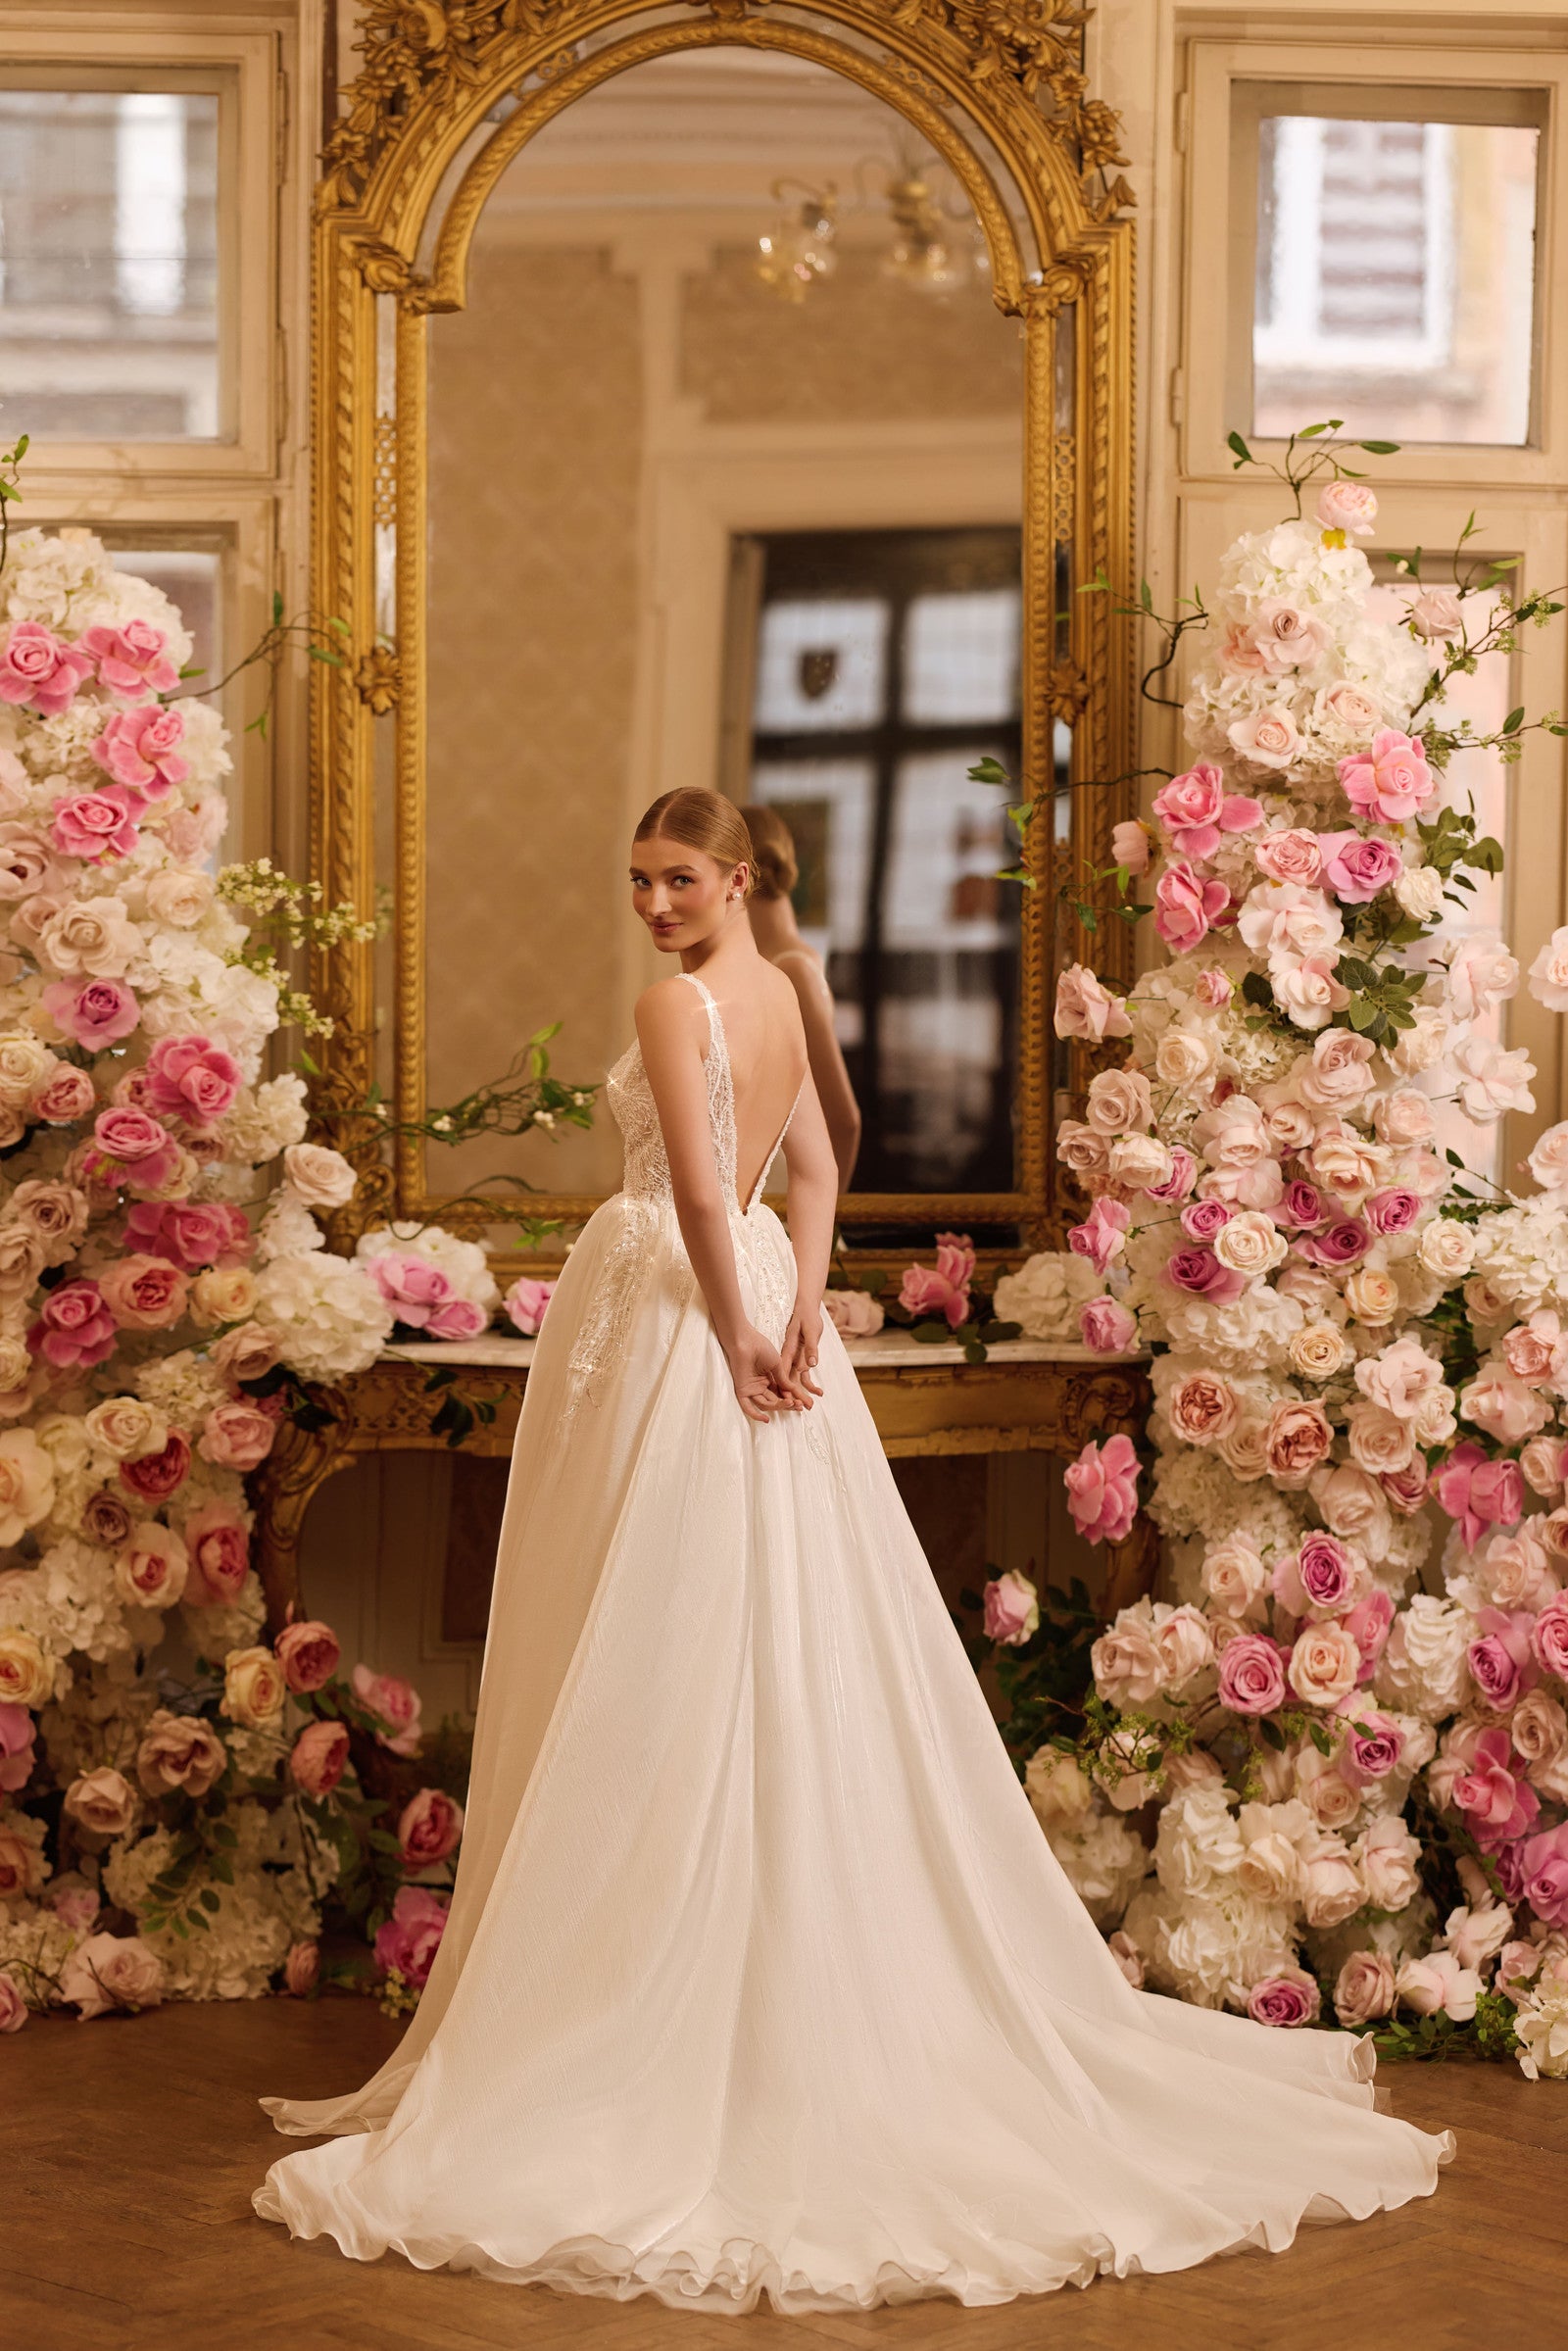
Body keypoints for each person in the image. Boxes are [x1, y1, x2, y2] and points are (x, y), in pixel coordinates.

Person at [254, 786, 1451, 2314]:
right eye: (637, 878)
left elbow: (694, 1184)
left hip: (680, 1306)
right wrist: (804, 1290)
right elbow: (825, 1158)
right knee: (755, 1615)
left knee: (657, 1624)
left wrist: (753, 1327)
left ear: (740, 873)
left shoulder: (676, 998)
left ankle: (648, 2003)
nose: (652, 901)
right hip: (755, 1294)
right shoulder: (793, 986)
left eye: (678, 875)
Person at [740, 801, 861, 1190]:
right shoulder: (780, 961)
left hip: (778, 1198)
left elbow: (843, 1120)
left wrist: (822, 1226)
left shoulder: (790, 969)